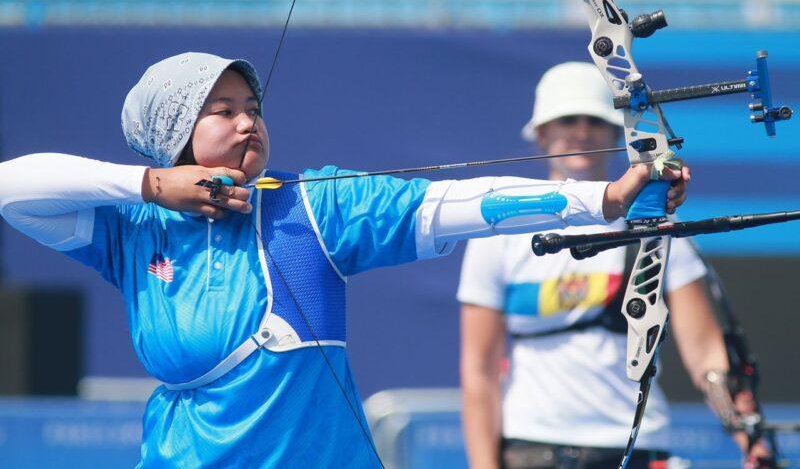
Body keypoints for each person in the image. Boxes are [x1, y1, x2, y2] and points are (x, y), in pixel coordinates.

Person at [0, 53, 689, 468]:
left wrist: (603, 196)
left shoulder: (311, 208)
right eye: (221, 110)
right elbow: (12, 189)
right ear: (173, 135)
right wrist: (152, 186)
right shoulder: (133, 229)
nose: (248, 122)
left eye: (253, 106)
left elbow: (448, 203)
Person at [458, 62, 769, 469]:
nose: (582, 132)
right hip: (532, 447)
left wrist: (747, 434)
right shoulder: (501, 234)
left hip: (635, 444)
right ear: (541, 134)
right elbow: (479, 370)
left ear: (616, 135)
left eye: (595, 121)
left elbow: (706, 353)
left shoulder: (655, 223)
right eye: (567, 120)